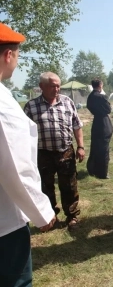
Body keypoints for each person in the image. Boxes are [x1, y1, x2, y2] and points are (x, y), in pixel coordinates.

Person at [0, 23, 56, 286]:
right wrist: (41, 211)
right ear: (8, 55)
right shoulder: (3, 103)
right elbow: (14, 165)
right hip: (4, 223)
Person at [24, 72, 85, 231]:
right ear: (41, 87)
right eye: (52, 86)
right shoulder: (31, 106)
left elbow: (77, 125)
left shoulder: (67, 102)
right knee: (45, 187)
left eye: (58, 85)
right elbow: (23, 132)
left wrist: (80, 146)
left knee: (69, 186)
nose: (57, 89)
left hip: (65, 151)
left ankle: (72, 217)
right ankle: (50, 217)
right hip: (43, 153)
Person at [86, 78, 113, 179]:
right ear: (100, 85)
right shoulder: (102, 97)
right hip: (104, 123)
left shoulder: (90, 97)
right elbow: (109, 109)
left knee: (95, 147)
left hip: (96, 122)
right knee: (104, 149)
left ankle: (92, 168)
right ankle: (103, 172)